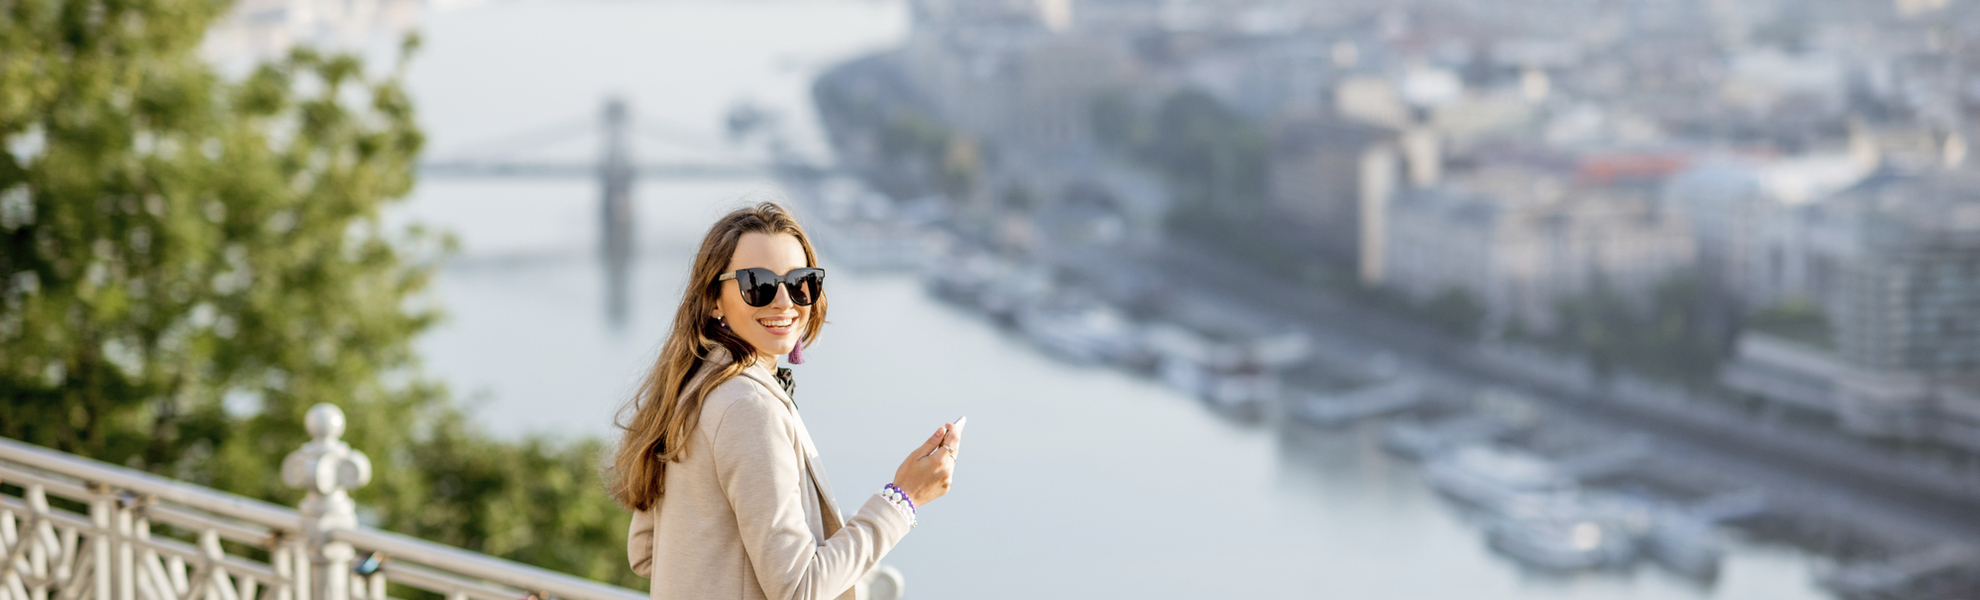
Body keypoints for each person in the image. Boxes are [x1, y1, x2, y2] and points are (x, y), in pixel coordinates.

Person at [610, 202, 961, 600]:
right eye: (757, 284)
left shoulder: (691, 387)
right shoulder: (748, 408)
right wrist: (903, 498)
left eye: (800, 282)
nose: (784, 301)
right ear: (713, 299)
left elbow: (647, 552)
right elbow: (798, 588)